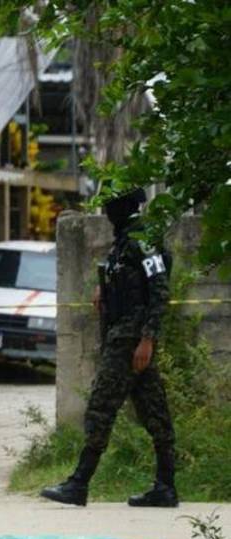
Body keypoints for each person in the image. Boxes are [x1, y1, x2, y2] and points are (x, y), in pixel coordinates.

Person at [41, 189, 177, 507]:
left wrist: (147, 339)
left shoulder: (141, 239)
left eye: (109, 208)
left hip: (129, 340)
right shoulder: (125, 241)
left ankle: (79, 484)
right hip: (123, 336)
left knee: (101, 407)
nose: (106, 213)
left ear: (120, 209)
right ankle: (165, 486)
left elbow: (159, 290)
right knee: (154, 411)